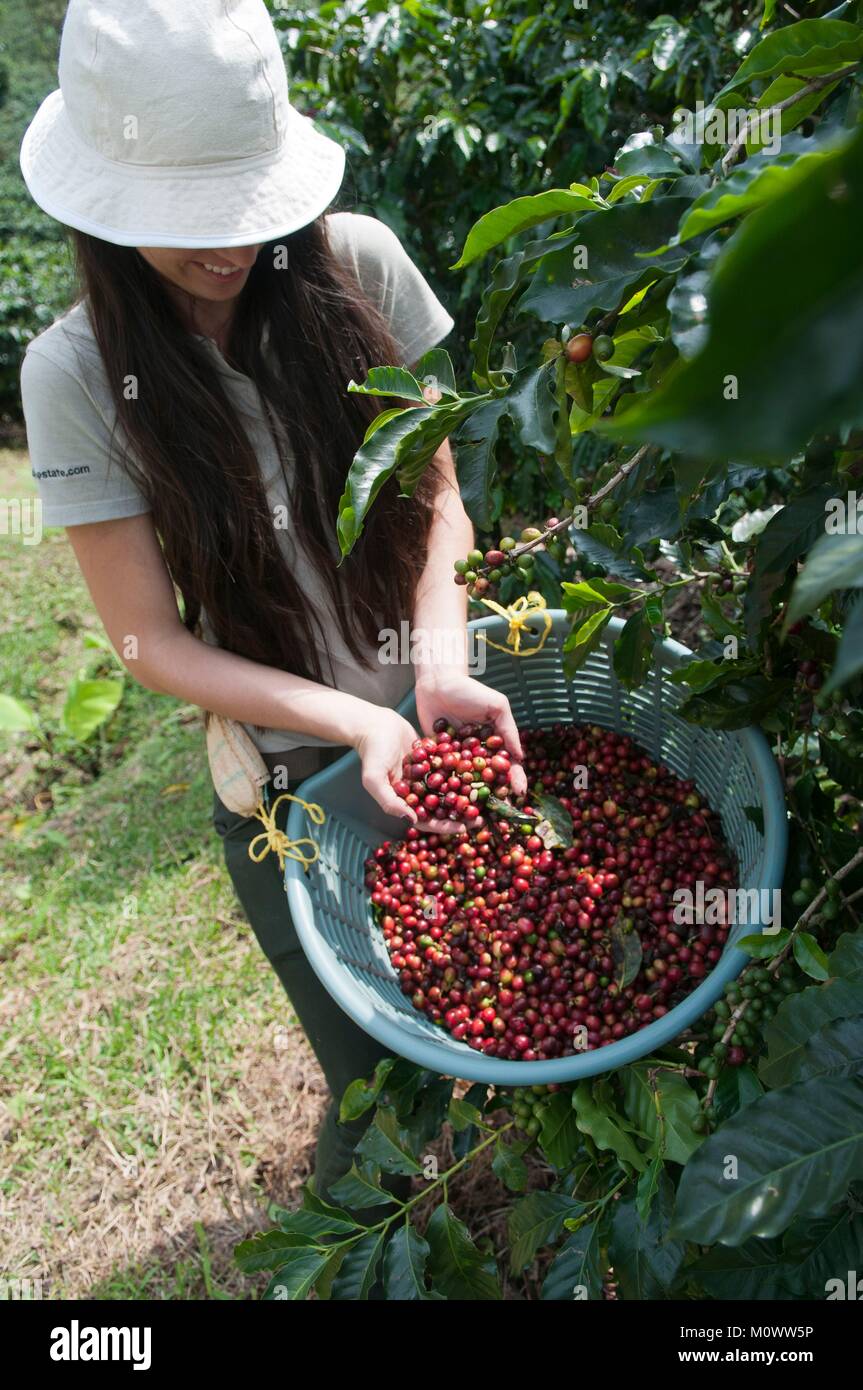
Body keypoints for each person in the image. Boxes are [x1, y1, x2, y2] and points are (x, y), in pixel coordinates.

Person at [19, 0, 525, 1203]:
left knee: (512, 1005)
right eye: (181, 223)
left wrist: (434, 669)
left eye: (238, 208)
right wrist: (353, 724)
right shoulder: (79, 373)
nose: (224, 251)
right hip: (290, 784)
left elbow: (440, 500)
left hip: (445, 716)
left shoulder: (354, 266)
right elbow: (147, 638)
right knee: (377, 1103)